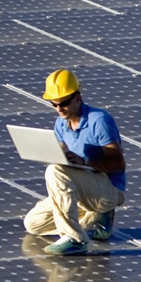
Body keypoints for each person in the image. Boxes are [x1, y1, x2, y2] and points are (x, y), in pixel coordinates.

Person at [23, 69, 126, 255]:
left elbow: (118, 164)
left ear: (77, 98)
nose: (59, 109)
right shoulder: (60, 123)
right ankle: (95, 217)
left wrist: (85, 162)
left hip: (106, 190)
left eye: (63, 103)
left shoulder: (99, 120)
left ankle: (75, 239)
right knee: (33, 224)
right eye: (53, 104)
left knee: (54, 171)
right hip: (79, 190)